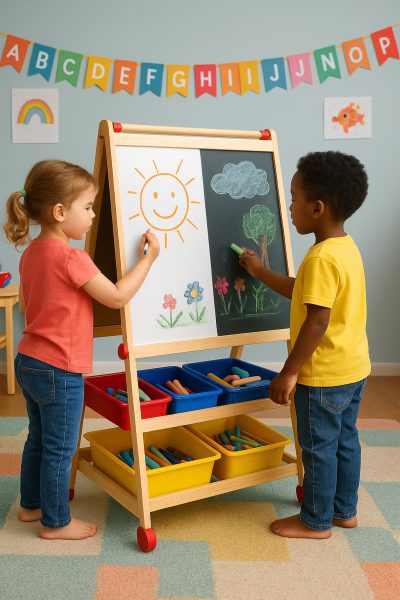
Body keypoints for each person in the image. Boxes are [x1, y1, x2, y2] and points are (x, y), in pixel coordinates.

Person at [4, 159, 159, 540]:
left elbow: (28, 307)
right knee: (60, 447)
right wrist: (149, 259)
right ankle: (55, 523)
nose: (93, 215)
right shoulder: (73, 258)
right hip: (60, 368)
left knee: (38, 438)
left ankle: (30, 505)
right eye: (87, 207)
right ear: (60, 212)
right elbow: (119, 296)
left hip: (29, 360)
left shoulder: (31, 254)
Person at [239, 151, 370, 539]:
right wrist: (261, 272)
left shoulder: (319, 258)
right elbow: (303, 294)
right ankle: (343, 511)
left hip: (321, 377)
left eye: (293, 198)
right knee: (345, 441)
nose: (289, 206)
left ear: (317, 208)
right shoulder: (344, 249)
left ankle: (315, 522)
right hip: (353, 370)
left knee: (317, 448)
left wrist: (290, 371)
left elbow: (317, 320)